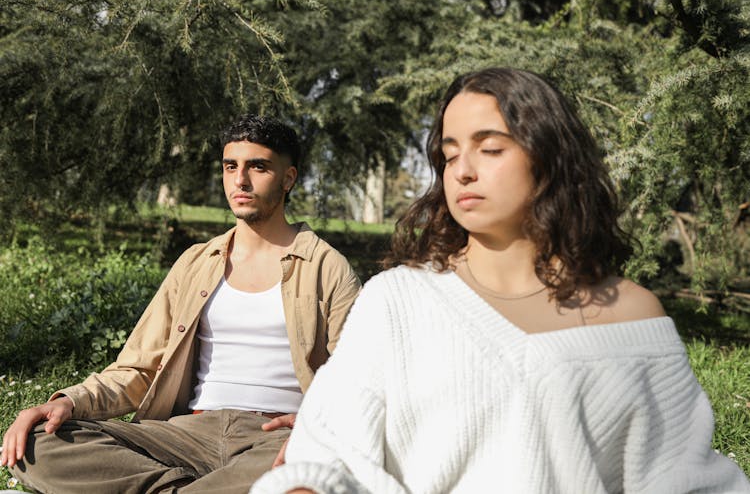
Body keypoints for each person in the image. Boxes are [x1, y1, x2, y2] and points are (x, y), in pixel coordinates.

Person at [251, 68, 750, 493]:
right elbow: (328, 450)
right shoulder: (397, 301)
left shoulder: (633, 314)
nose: (462, 171)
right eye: (449, 154)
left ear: (550, 156)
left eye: (489, 149)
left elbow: (685, 477)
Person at [1, 114, 361, 493]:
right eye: (230, 166)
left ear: (288, 179)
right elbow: (139, 367)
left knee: (308, 473)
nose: (240, 180)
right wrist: (70, 402)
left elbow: (359, 379)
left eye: (258, 167)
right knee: (40, 442)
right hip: (186, 435)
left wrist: (315, 429)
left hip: (271, 438)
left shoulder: (327, 266)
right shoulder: (196, 262)